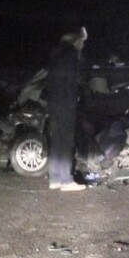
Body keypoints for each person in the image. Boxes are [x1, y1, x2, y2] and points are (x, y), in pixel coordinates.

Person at [46, 27, 88, 192]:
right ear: (76, 41)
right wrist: (73, 103)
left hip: (54, 105)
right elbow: (70, 84)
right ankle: (65, 180)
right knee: (66, 141)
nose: (82, 46)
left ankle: (55, 178)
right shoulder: (70, 56)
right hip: (65, 105)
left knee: (56, 140)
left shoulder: (56, 56)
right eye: (82, 43)